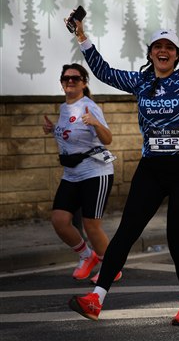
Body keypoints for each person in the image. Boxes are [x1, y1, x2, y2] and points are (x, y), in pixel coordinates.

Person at [67, 0, 179, 325]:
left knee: (178, 242)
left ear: (176, 55)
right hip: (152, 169)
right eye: (158, 46)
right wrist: (81, 35)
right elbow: (104, 72)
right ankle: (96, 298)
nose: (163, 51)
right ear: (150, 53)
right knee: (126, 233)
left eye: (169, 47)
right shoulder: (141, 81)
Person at [42, 63, 120, 284]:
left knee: (91, 225)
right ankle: (87, 256)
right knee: (59, 220)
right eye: (65, 78)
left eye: (75, 78)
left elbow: (107, 139)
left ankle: (111, 269)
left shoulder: (89, 107)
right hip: (71, 173)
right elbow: (71, 135)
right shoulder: (63, 108)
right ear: (61, 83)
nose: (70, 81)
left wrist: (95, 123)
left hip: (95, 171)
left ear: (84, 83)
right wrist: (53, 130)